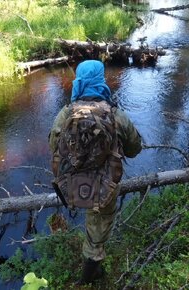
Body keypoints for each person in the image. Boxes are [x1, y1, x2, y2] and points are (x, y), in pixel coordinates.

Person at [48, 60, 142, 285]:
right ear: (101, 81)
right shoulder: (115, 114)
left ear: (78, 81)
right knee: (99, 225)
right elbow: (134, 150)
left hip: (72, 183)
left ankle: (87, 266)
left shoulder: (65, 113)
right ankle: (88, 276)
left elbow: (54, 147)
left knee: (87, 212)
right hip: (106, 186)